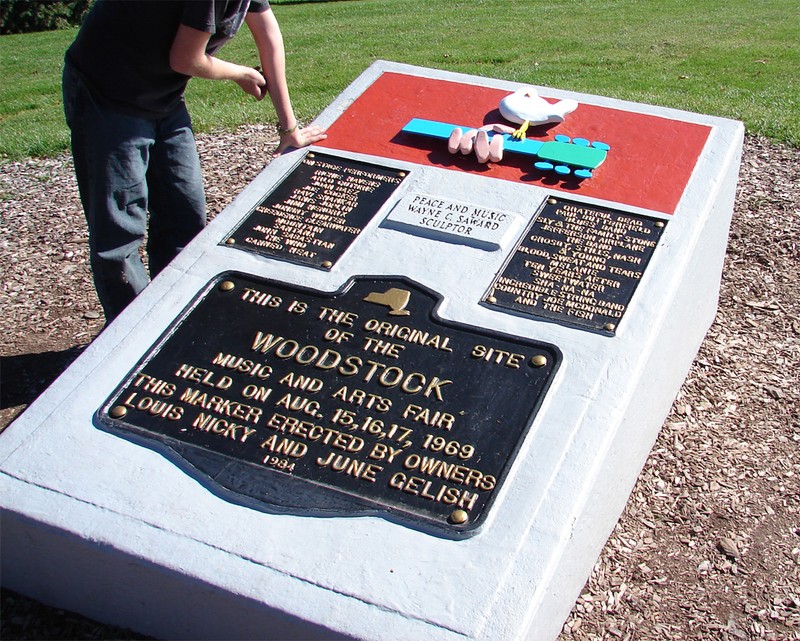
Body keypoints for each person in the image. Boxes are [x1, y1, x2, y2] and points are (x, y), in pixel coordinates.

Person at [62, 0, 326, 322]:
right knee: (119, 233)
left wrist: (289, 129)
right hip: (106, 95)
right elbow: (185, 58)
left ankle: (174, 320)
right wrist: (239, 72)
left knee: (184, 215)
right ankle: (133, 335)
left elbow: (269, 36)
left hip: (164, 98)